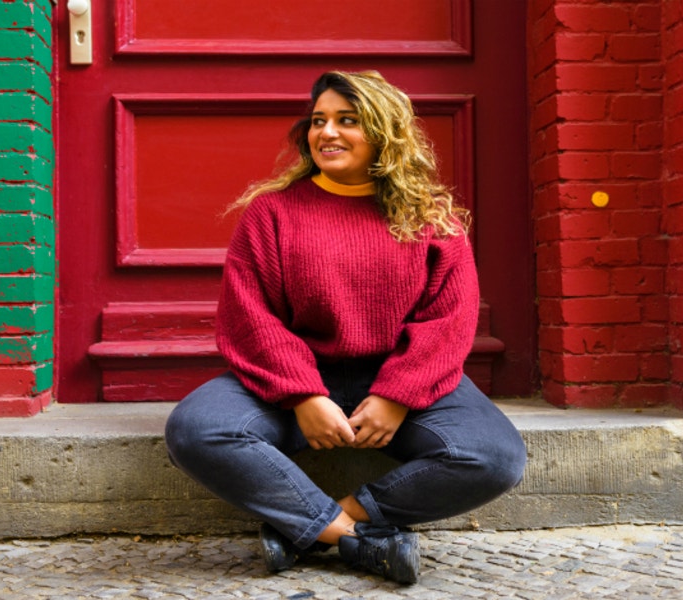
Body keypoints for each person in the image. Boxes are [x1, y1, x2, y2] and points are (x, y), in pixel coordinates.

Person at [164, 70, 526, 585]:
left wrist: (397, 395)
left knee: (494, 458)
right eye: (318, 121)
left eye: (347, 120)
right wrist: (303, 396)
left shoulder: (431, 217)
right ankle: (354, 542)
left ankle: (328, 521)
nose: (327, 133)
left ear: (384, 131)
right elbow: (249, 315)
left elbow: (449, 320)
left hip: (405, 386)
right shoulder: (273, 211)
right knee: (197, 430)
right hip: (294, 382)